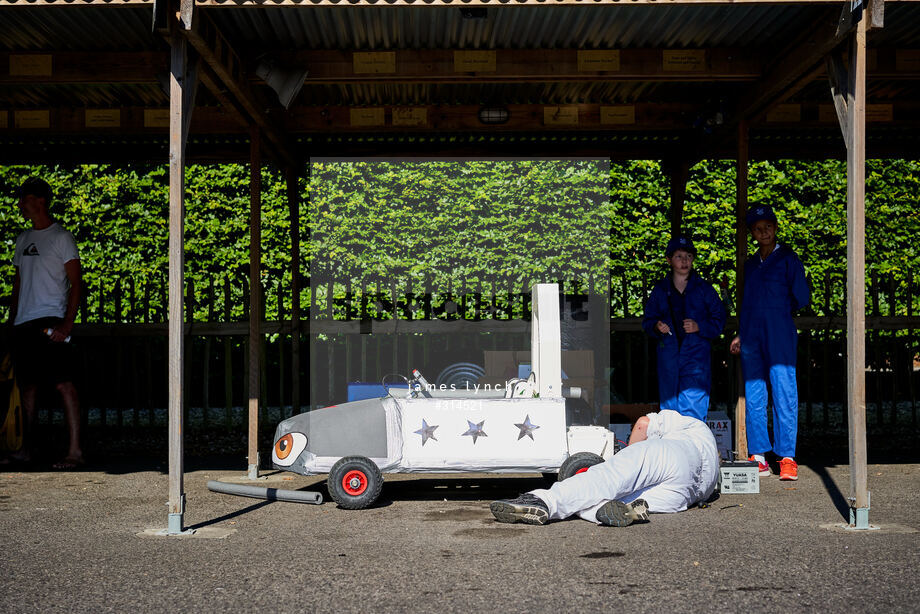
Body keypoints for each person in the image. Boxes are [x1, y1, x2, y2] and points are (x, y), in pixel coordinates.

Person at [490, 409, 719, 526]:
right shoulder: (712, 460)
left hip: (673, 454)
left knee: (604, 479)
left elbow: (643, 424)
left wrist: (627, 455)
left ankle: (541, 501)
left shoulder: (687, 424)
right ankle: (616, 511)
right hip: (686, 495)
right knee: (620, 501)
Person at [4, 177, 84, 469]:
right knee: (27, 389)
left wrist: (66, 325)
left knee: (64, 385)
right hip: (24, 324)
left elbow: (76, 284)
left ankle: (75, 452)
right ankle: (25, 450)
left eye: (23, 199)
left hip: (51, 321)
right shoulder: (23, 240)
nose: (20, 205)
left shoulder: (62, 237)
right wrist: (11, 322)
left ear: (39, 201)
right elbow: (18, 283)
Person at [730, 205, 809, 481]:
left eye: (767, 226)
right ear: (752, 232)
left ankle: (787, 457)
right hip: (751, 335)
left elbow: (802, 297)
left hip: (779, 333)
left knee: (784, 391)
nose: (763, 232)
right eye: (757, 228)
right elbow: (747, 303)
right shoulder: (751, 264)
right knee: (754, 394)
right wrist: (741, 333)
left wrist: (777, 311)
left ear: (775, 228)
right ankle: (759, 456)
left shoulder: (789, 259)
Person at [642, 235, 726, 422]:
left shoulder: (704, 289)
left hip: (696, 357)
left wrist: (699, 326)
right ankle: (672, 450)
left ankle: (694, 450)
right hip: (669, 358)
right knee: (669, 413)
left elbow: (719, 319)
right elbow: (648, 321)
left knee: (694, 413)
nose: (684, 261)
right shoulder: (660, 290)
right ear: (669, 260)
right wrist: (656, 325)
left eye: (688, 256)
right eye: (679, 256)